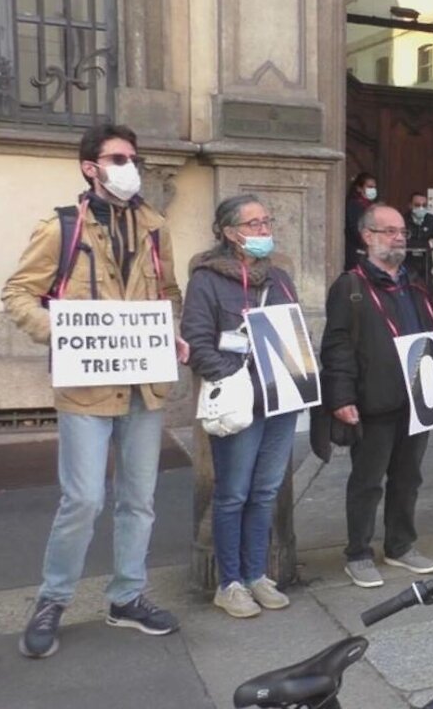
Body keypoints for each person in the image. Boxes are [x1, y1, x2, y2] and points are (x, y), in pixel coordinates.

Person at [2, 124, 187, 657]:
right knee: (82, 499)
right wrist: (63, 332)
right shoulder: (62, 228)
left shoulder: (155, 227)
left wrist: (170, 332)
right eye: (119, 157)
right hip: (86, 385)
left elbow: (168, 291)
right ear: (91, 167)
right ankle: (53, 600)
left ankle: (127, 596)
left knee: (139, 500)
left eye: (135, 156)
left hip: (144, 387)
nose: (131, 165)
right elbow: (18, 294)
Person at [182, 195, 302, 616]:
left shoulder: (281, 279)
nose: (264, 230)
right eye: (253, 224)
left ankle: (256, 574)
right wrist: (231, 379)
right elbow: (196, 342)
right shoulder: (207, 279)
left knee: (265, 490)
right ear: (230, 233)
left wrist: (302, 375)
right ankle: (229, 582)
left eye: (266, 221)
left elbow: (293, 333)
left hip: (280, 400)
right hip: (239, 402)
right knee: (232, 494)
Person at [322, 204, 433, 587]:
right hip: (373, 400)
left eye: (402, 231)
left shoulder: (416, 282)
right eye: (389, 231)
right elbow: (337, 346)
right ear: (368, 236)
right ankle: (358, 553)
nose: (398, 237)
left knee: (408, 477)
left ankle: (400, 545)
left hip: (416, 399)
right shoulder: (351, 286)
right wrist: (341, 398)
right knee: (367, 481)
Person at [404, 191, 433, 287]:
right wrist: (427, 244)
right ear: (410, 205)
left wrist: (418, 243)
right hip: (407, 265)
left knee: (428, 293)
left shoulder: (432, 220)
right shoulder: (403, 220)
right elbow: (404, 242)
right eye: (417, 205)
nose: (421, 208)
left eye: (424, 205)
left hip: (426, 265)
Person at [344, 172, 377, 271]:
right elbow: (356, 229)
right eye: (369, 187)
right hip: (356, 251)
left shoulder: (371, 206)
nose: (373, 190)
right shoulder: (354, 205)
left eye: (374, 187)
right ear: (359, 188)